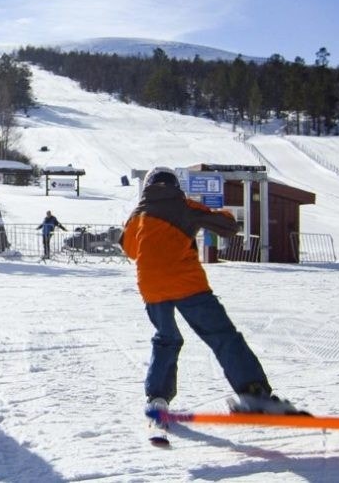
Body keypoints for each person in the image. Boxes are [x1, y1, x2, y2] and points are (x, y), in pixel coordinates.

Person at [121, 167, 299, 421]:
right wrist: (216, 216)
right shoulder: (184, 205)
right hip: (187, 283)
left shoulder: (137, 214)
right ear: (175, 185)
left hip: (151, 286)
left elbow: (129, 249)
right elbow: (228, 226)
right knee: (223, 336)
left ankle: (157, 398)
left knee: (166, 338)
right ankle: (254, 394)